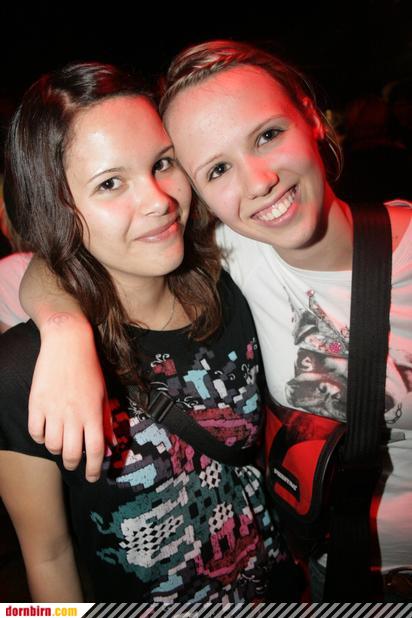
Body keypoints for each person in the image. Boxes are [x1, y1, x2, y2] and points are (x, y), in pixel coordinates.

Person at [18, 41, 412, 599]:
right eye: (218, 168)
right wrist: (64, 331)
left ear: (311, 116)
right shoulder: (232, 253)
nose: (258, 182)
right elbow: (43, 263)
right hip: (334, 576)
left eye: (268, 135)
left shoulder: (236, 261)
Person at [0, 60, 286, 602]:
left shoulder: (236, 288)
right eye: (110, 183)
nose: (159, 200)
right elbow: (49, 557)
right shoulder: (23, 373)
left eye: (163, 163)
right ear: (57, 209)